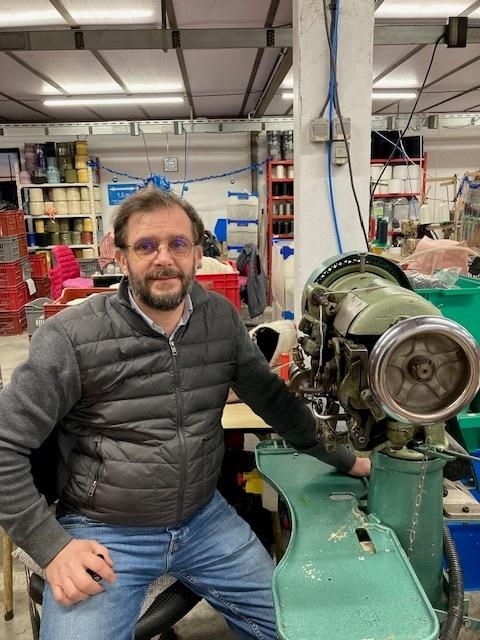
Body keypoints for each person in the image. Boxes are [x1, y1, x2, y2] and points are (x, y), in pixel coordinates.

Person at [0, 189, 370, 640]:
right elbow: (4, 446)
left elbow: (272, 399)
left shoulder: (220, 317)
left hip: (204, 520)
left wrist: (345, 459)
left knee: (301, 629)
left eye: (177, 244)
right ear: (120, 256)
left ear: (198, 254)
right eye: (145, 246)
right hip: (106, 531)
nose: (164, 259)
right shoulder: (70, 337)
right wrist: (51, 547)